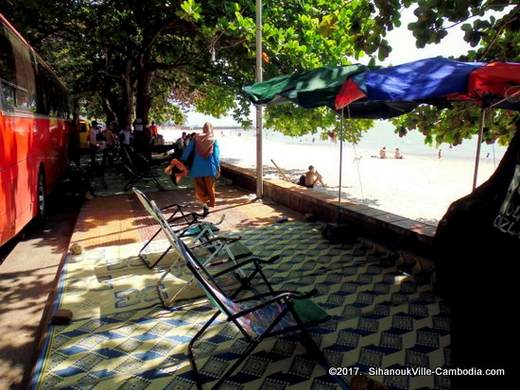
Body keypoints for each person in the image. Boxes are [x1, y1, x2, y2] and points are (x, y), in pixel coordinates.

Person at [181, 122, 220, 213]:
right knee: (210, 187)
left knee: (200, 187)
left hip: (197, 168)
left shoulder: (196, 138)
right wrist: (218, 167)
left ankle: (204, 204)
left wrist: (182, 160)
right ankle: (210, 203)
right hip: (210, 167)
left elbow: (188, 150)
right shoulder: (214, 140)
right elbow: (216, 155)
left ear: (203, 129)